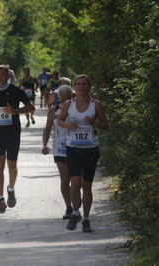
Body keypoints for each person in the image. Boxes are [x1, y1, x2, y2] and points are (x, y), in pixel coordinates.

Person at [0, 65, 35, 213]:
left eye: (2, 75)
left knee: (12, 165)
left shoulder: (16, 91)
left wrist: (15, 111)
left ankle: (11, 188)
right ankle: (0, 199)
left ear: (8, 76)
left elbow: (31, 107)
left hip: (13, 131)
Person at [57, 74, 108, 232]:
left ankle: (86, 218)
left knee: (87, 186)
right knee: (75, 183)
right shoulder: (68, 104)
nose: (81, 87)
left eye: (84, 84)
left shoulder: (96, 105)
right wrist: (67, 125)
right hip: (73, 148)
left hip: (91, 149)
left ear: (89, 87)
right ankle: (75, 212)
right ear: (75, 87)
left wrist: (95, 123)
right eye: (78, 84)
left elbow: (105, 124)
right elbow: (59, 120)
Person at [42, 85, 74, 220]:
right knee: (64, 179)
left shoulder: (77, 109)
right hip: (59, 148)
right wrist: (44, 144)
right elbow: (48, 128)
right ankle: (69, 207)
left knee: (76, 179)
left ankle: (76, 205)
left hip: (76, 147)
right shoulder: (53, 111)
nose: (65, 99)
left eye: (68, 97)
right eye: (62, 97)